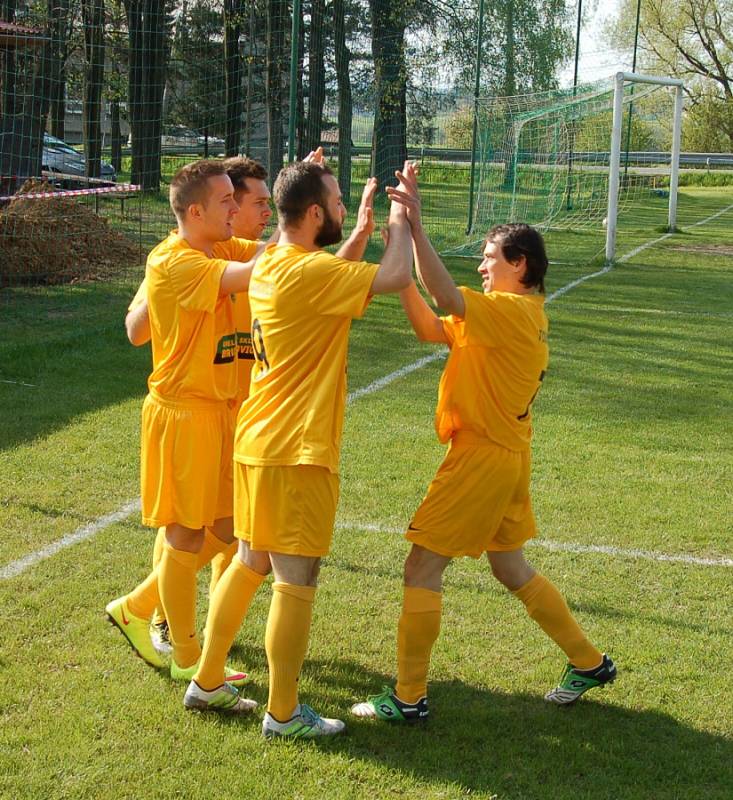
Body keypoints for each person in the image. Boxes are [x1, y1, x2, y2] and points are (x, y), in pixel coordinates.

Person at [351, 164, 616, 723]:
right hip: (508, 456)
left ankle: (407, 697)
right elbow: (433, 326)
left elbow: (446, 295)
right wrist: (399, 272)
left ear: (519, 265)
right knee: (509, 567)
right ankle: (588, 661)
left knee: (421, 568)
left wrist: (414, 230)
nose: (482, 266)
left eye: (490, 258)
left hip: (481, 459)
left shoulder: (511, 313)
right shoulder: (510, 317)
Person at [182, 160, 418, 735]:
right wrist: (400, 216)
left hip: (257, 442)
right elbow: (393, 276)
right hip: (297, 450)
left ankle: (207, 679)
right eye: (337, 202)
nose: (341, 208)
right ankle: (283, 713)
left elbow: (328, 282)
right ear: (314, 213)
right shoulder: (308, 272)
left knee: (249, 560)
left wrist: (357, 231)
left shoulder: (270, 263)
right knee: (296, 577)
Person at [105, 160, 263, 707]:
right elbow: (134, 329)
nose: (241, 211)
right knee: (184, 534)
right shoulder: (173, 261)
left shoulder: (217, 247)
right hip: (184, 413)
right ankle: (189, 657)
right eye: (229, 202)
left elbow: (268, 256)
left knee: (226, 525)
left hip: (222, 409)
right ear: (195, 211)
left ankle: (139, 607)